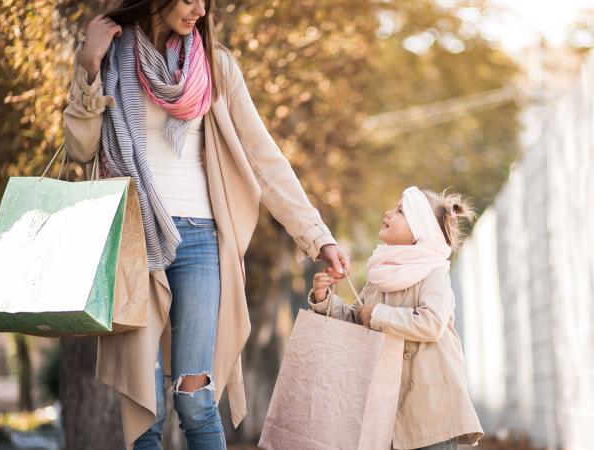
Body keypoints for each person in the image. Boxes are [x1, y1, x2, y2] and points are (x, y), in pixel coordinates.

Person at [62, 1, 349, 448]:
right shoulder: (111, 57)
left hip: (201, 240)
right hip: (135, 242)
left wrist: (317, 236)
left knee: (195, 401)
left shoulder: (214, 65)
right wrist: (88, 64)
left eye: (205, 1)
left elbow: (263, 157)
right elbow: (81, 149)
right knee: (144, 414)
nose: (199, 9)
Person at [310, 186, 484, 449]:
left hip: (431, 410)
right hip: (389, 407)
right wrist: (325, 300)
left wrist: (378, 314)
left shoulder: (434, 272)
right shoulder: (381, 275)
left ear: (419, 230)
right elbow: (359, 321)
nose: (388, 213)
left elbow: (432, 324)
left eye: (401, 211)